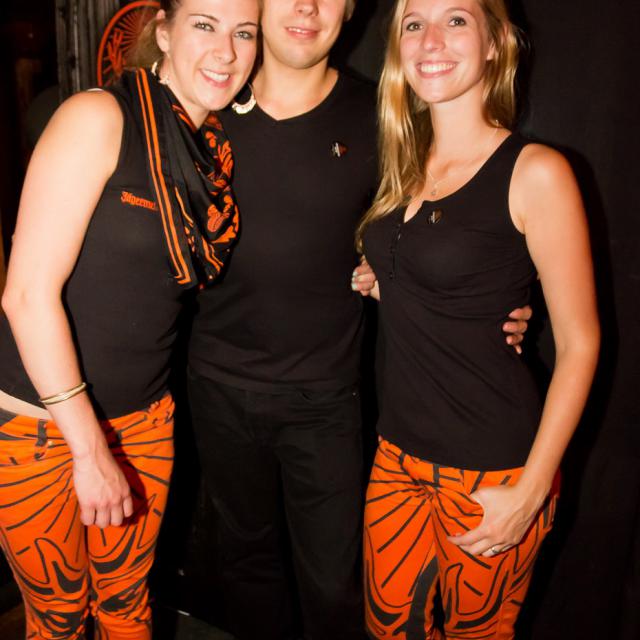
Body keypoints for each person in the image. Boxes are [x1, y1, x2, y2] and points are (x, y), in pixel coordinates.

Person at [186, 1, 531, 638]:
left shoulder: (387, 118)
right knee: (245, 565)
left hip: (326, 398)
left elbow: (457, 220)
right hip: (216, 384)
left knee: (336, 584)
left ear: (350, 10)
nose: (306, 6)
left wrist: (502, 302)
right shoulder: (207, 100)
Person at [0, 1, 259, 637]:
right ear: (163, 32)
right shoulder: (98, 116)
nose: (226, 51)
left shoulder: (212, 149)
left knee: (127, 607)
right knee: (58, 620)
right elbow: (26, 295)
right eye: (205, 24)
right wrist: (89, 451)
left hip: (143, 421)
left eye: (244, 32)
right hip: (42, 431)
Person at [357, 0, 601, 638]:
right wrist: (388, 283)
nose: (431, 39)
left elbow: (580, 343)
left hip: (493, 470)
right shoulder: (405, 165)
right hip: (395, 458)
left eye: (457, 19)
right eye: (414, 24)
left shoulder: (537, 172)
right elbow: (452, 279)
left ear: (495, 43)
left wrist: (532, 491)